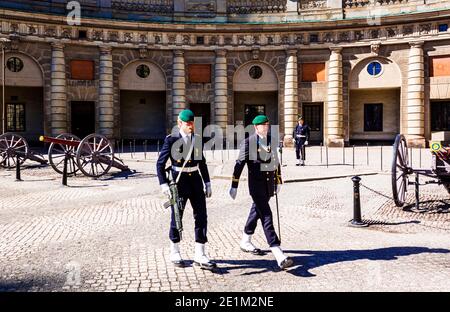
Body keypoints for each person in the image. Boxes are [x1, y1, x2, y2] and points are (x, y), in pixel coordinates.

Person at [229, 115, 294, 270]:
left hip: (268, 185)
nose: (265, 127)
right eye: (262, 125)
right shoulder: (248, 143)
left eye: (267, 124)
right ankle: (278, 253)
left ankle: (245, 240)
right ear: (255, 127)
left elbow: (276, 162)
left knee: (256, 211)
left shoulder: (271, 140)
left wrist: (278, 180)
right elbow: (239, 164)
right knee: (266, 215)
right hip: (256, 186)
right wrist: (234, 185)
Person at [156, 109, 216, 270]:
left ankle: (200, 253)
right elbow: (160, 164)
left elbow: (201, 162)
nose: (190, 126)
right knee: (177, 216)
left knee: (201, 216)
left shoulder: (197, 139)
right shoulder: (171, 140)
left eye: (192, 123)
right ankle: (174, 250)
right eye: (187, 123)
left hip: (195, 180)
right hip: (179, 181)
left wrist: (208, 182)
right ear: (179, 123)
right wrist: (163, 185)